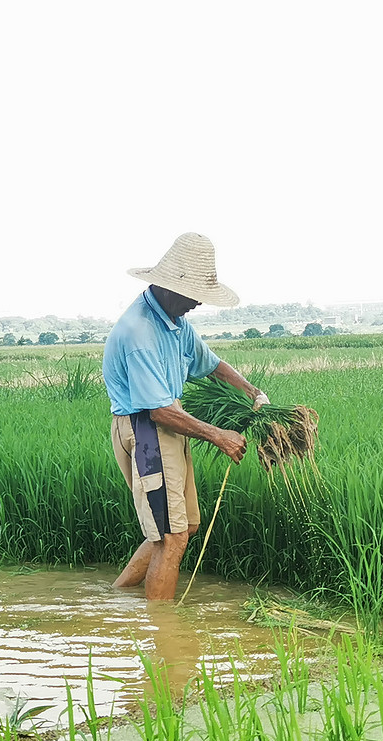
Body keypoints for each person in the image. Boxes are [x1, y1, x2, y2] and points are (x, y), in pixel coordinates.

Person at [102, 233, 269, 600]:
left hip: (169, 426)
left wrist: (253, 393)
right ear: (168, 286)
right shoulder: (140, 332)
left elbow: (211, 364)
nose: (197, 303)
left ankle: (114, 599)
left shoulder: (175, 323)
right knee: (170, 536)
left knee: (185, 527)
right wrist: (219, 436)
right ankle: (164, 638)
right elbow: (158, 411)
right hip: (148, 431)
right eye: (194, 294)